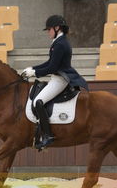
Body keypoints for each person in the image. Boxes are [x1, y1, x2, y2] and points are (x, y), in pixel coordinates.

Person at [22, 15, 89, 150]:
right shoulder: (59, 41)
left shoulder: (60, 44)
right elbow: (49, 63)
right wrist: (33, 68)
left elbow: (52, 68)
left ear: (57, 28)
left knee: (38, 101)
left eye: (49, 30)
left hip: (60, 79)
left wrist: (35, 73)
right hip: (56, 77)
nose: (48, 32)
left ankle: (47, 135)